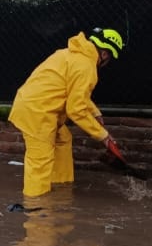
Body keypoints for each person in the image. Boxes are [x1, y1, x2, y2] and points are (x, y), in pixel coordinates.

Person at [9, 27, 125, 197]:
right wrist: (103, 136)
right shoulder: (87, 67)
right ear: (106, 54)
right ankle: (37, 211)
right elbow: (75, 109)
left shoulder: (69, 54)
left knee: (63, 138)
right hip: (38, 113)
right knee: (40, 161)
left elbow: (75, 92)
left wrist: (95, 112)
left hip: (34, 106)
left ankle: (61, 188)